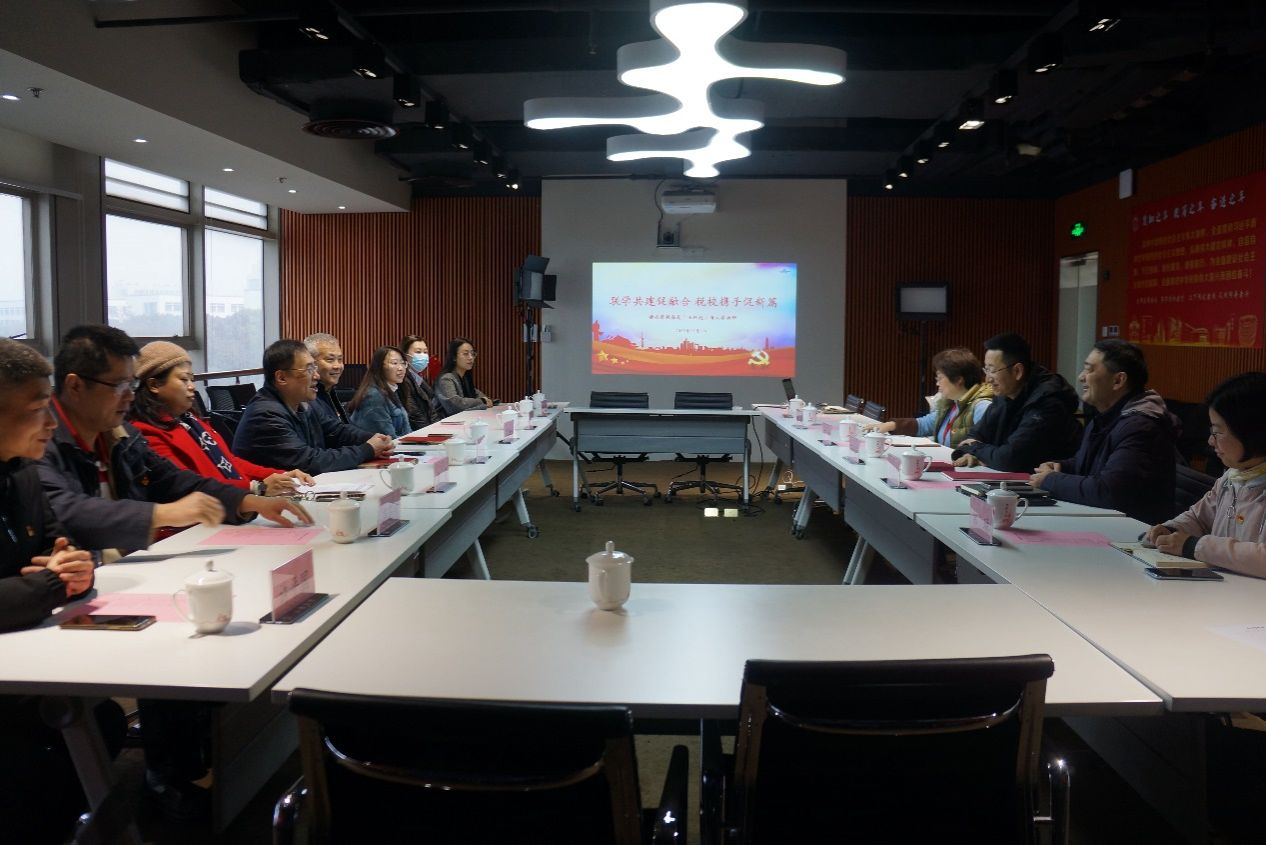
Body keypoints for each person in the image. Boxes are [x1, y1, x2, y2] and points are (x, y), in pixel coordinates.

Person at [38, 325, 311, 556]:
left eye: (131, 385)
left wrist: (249, 501)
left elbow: (173, 479)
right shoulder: (39, 442)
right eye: (119, 385)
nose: (129, 396)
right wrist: (161, 513)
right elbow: (64, 509)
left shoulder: (121, 435)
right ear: (75, 386)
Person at [128, 341, 314, 496]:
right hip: (201, 519)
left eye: (192, 379)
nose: (192, 386)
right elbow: (186, 485)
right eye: (184, 380)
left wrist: (281, 475)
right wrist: (257, 488)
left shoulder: (190, 420)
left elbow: (229, 461)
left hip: (232, 504)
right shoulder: (146, 433)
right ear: (154, 385)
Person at [1031, 340, 1177, 523]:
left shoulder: (1141, 428)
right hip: (1101, 522)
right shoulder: (1105, 417)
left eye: (1089, 369)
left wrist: (1050, 480)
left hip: (1131, 532)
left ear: (1118, 380)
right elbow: (1090, 465)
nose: (1081, 377)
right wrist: (1062, 467)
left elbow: (1109, 492)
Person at [1146, 372, 1266, 578]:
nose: (1211, 441)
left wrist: (1195, 546)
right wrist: (1171, 529)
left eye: (1217, 432)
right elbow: (1198, 518)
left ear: (1251, 432)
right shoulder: (1232, 478)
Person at [233, 339, 393, 474]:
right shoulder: (265, 415)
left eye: (314, 368)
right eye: (309, 369)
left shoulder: (306, 403)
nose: (316, 376)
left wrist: (376, 439)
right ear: (281, 378)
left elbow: (338, 432)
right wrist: (368, 449)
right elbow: (310, 462)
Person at [951, 332, 1082, 472]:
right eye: (986, 370)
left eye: (992, 370)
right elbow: (973, 436)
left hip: (1042, 482)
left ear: (1017, 371)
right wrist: (969, 453)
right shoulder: (1005, 394)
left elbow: (1010, 459)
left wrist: (975, 449)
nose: (987, 379)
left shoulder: (1048, 401)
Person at [867, 348, 993, 447]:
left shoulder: (982, 406)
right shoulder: (952, 403)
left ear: (959, 380)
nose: (937, 383)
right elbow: (926, 424)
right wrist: (891, 425)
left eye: (940, 378)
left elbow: (988, 447)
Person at [348, 346, 413, 437]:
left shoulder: (393, 390)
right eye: (394, 363)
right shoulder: (374, 396)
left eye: (403, 363)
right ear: (379, 366)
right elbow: (387, 439)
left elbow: (406, 431)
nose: (401, 368)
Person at [303, 332, 353, 425]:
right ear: (311, 362)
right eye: (330, 359)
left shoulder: (329, 390)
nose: (337, 366)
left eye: (340, 359)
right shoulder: (307, 399)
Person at [434, 337, 492, 417]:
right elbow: (455, 406)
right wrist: (482, 401)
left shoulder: (465, 378)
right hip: (443, 423)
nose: (471, 357)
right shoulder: (446, 379)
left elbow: (482, 397)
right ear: (454, 357)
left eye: (472, 354)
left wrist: (485, 400)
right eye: (465, 354)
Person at [400, 334, 436, 428]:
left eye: (425, 352)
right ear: (405, 355)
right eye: (418, 352)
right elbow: (414, 414)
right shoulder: (403, 380)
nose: (423, 356)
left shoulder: (420, 378)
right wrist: (431, 431)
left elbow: (431, 410)